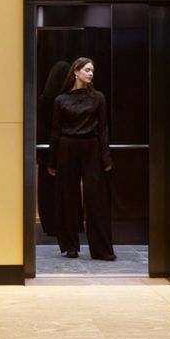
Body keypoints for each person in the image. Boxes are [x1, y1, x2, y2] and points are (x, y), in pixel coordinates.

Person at [48, 57, 115, 261]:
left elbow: (103, 129)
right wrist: (52, 161)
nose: (90, 73)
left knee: (96, 198)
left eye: (92, 70)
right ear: (75, 72)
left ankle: (102, 249)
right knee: (68, 196)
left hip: (92, 147)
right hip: (67, 148)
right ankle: (70, 246)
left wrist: (106, 157)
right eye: (87, 70)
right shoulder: (61, 100)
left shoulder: (98, 98)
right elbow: (55, 132)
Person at [35, 59, 73, 253]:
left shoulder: (44, 100)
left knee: (47, 188)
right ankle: (68, 224)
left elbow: (42, 128)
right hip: (65, 149)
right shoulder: (69, 99)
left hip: (46, 150)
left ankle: (49, 224)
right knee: (67, 189)